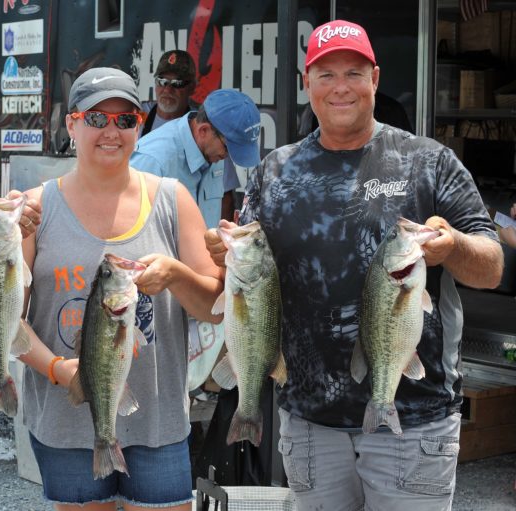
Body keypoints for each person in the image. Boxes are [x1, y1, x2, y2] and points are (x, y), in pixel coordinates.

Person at [205, 19, 503, 510]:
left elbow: (491, 268)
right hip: (308, 423)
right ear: (307, 83)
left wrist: (453, 247)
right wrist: (223, 253)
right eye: (326, 75)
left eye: (353, 73)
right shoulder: (274, 171)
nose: (340, 87)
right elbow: (248, 276)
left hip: (414, 423)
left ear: (375, 79)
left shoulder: (429, 161)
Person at [15, 67, 223, 511]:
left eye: (125, 120)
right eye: (96, 118)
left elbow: (215, 308)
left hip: (157, 422)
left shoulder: (172, 199)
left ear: (139, 126)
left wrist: (177, 276)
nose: (111, 132)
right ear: (71, 125)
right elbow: (5, 321)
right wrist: (57, 368)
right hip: (68, 424)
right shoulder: (35, 208)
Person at [130, 88, 260, 229]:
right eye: (228, 148)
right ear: (203, 130)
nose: (227, 157)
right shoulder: (153, 161)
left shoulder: (213, 151)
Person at [139, 50, 241, 223]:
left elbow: (226, 197)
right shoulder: (134, 119)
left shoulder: (211, 129)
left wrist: (221, 236)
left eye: (177, 83)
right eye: (162, 81)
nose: (167, 89)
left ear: (193, 87)